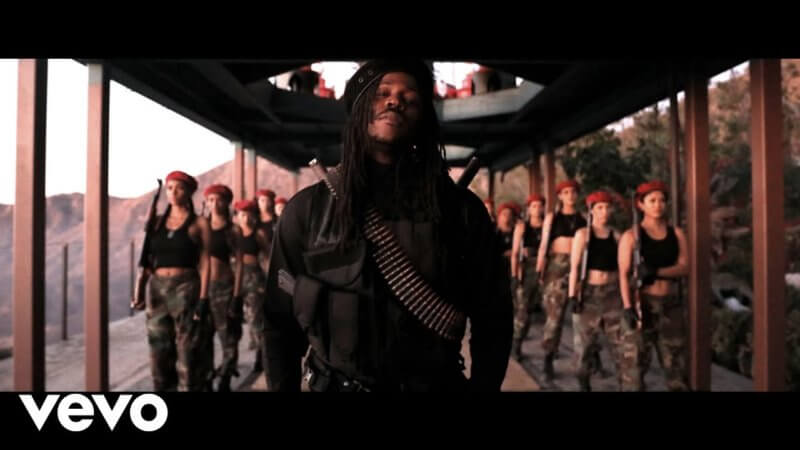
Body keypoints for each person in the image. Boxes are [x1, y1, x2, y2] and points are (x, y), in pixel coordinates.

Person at [263, 59, 512, 392]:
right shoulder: (308, 210)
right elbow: (279, 324)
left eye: (410, 98)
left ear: (423, 118)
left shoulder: (461, 211)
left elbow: (493, 320)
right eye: (382, 93)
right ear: (359, 109)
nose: (395, 101)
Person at [132, 170, 213, 391]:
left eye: (179, 188)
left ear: (189, 192)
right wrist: (139, 291)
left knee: (188, 355)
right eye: (169, 188)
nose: (173, 192)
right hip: (157, 291)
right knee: (158, 354)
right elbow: (147, 261)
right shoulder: (157, 223)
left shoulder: (199, 223)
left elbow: (206, 263)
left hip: (187, 288)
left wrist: (204, 299)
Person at [618, 180, 690, 391]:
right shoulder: (631, 236)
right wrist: (628, 307)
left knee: (676, 367)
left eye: (661, 200)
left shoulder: (676, 233)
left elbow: (685, 267)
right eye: (652, 200)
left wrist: (656, 272)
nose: (658, 205)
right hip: (642, 305)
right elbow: (623, 275)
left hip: (670, 306)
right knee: (634, 369)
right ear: (641, 204)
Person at [567, 190, 637, 391]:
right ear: (591, 210)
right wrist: (573, 296)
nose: (604, 211)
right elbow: (574, 268)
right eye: (599, 207)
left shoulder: (616, 236)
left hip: (612, 294)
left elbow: (625, 269)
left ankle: (625, 384)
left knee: (621, 346)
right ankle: (584, 383)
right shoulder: (583, 235)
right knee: (584, 348)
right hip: (589, 294)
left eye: (607, 207)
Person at [535, 179, 587, 381]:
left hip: (578, 268)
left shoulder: (584, 218)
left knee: (582, 316)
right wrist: (540, 268)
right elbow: (544, 244)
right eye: (566, 192)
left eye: (573, 192)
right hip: (557, 268)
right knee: (554, 317)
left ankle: (589, 360)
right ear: (560, 196)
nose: (570, 195)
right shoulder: (553, 217)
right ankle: (548, 358)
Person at [203, 183, 243, 391]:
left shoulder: (233, 230)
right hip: (202, 290)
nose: (215, 204)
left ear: (226, 202)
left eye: (219, 199)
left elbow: (240, 264)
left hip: (225, 289)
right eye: (211, 200)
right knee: (203, 338)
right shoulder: (201, 226)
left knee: (228, 337)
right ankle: (207, 378)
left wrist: (237, 296)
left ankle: (226, 376)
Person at [232, 199, 272, 376]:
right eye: (242, 215)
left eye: (249, 215)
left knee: (255, 318)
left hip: (254, 279)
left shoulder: (258, 233)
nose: (246, 218)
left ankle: (260, 354)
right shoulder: (233, 234)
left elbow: (268, 256)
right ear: (237, 216)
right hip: (235, 278)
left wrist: (271, 279)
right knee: (237, 317)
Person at [509, 194, 545, 360]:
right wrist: (515, 276)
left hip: (543, 269)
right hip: (526, 270)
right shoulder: (523, 227)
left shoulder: (547, 226)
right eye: (534, 206)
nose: (537, 209)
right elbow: (515, 253)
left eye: (540, 206)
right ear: (529, 209)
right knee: (523, 311)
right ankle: (516, 343)